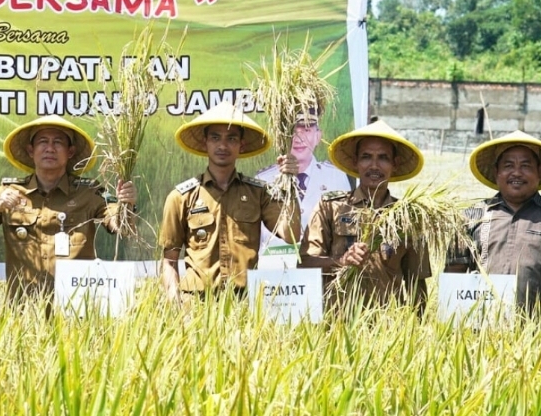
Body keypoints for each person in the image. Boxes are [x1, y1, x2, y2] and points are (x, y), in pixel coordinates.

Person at [0, 115, 136, 301]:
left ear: (70, 152)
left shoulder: (89, 192)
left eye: (58, 142)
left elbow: (123, 228)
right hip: (24, 307)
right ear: (31, 150)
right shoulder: (9, 192)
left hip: (74, 306)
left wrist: (127, 203)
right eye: (43, 141)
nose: (50, 148)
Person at [158, 101, 301, 301]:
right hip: (196, 305)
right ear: (205, 142)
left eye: (231, 138)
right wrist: (176, 306)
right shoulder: (181, 197)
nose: (223, 146)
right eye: (215, 138)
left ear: (241, 145)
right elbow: (168, 262)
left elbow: (291, 234)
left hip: (244, 303)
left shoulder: (258, 193)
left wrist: (290, 184)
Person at [299, 119, 429, 309]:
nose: (374, 166)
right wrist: (341, 261)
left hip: (388, 320)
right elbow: (305, 262)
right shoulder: (331, 206)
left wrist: (419, 323)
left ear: (394, 164)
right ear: (356, 162)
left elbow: (416, 280)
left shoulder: (408, 216)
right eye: (366, 157)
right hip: (338, 319)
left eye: (383, 158)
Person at [445, 130, 541, 312]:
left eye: (526, 166)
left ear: (539, 172)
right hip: (482, 325)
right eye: (508, 165)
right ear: (497, 172)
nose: (517, 173)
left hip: (535, 327)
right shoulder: (471, 217)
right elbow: (453, 277)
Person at [256, 109, 352, 264]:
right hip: (274, 271)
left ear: (318, 136)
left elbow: (346, 231)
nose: (298, 138)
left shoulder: (335, 176)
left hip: (321, 270)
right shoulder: (263, 180)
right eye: (292, 131)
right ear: (280, 138)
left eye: (306, 129)